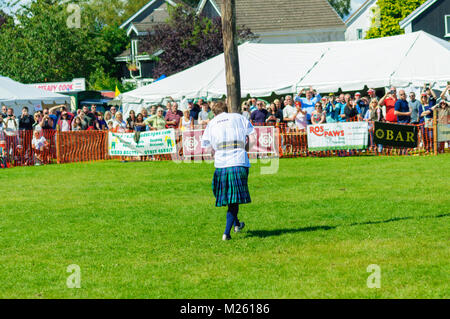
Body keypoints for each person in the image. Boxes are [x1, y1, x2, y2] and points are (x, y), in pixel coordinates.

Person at [201, 101, 254, 241]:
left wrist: (214, 153)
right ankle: (230, 229)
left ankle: (231, 229)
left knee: (229, 198)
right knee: (233, 199)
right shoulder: (239, 117)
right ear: (227, 109)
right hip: (239, 161)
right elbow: (252, 135)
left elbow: (205, 145)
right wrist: (247, 149)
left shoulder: (211, 123)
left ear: (214, 112)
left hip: (221, 164)